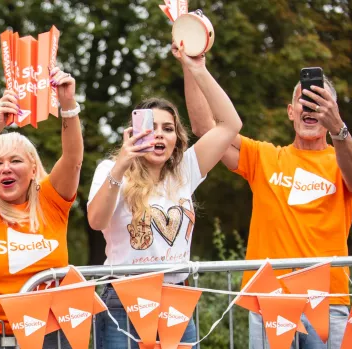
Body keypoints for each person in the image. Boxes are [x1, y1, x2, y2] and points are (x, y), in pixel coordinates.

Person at [186, 68, 352, 348]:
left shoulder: (343, 160)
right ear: (290, 112)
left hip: (328, 302)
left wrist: (338, 129)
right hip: (270, 301)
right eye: (303, 100)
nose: (311, 107)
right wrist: (194, 66)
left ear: (333, 111)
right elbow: (205, 129)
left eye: (319, 101)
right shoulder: (265, 157)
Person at [87, 42, 243, 349]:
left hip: (175, 300)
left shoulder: (185, 170)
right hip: (123, 300)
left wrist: (197, 68)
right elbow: (96, 221)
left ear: (177, 139)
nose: (159, 134)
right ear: (134, 132)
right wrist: (121, 165)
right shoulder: (111, 168)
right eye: (151, 127)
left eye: (168, 128)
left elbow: (230, 125)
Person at [0, 67, 83, 349]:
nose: (6, 169)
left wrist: (67, 104)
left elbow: (73, 159)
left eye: (15, 161)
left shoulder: (51, 200)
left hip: (52, 335)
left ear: (34, 168)